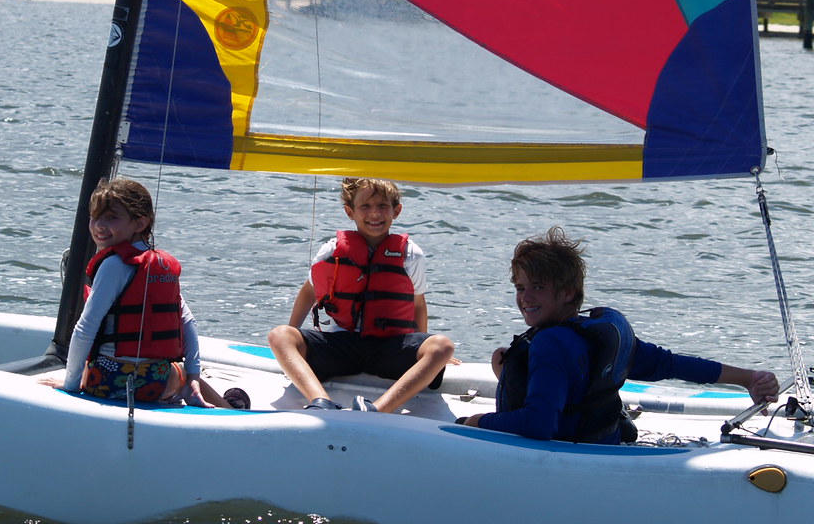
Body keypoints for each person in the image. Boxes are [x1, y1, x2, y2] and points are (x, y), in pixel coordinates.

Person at [457, 226, 779, 443]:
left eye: (538, 288)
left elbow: (540, 426)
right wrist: (748, 378)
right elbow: (672, 364)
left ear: (568, 292)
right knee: (504, 358)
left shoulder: (549, 344)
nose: (525, 298)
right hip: (605, 440)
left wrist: (477, 421)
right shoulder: (600, 333)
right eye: (521, 288)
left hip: (564, 459)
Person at [40, 178, 247, 410]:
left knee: (126, 366)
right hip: (154, 382)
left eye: (112, 217)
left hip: (106, 380)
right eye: (95, 216)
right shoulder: (163, 265)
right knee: (179, 373)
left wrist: (70, 384)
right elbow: (187, 321)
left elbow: (85, 328)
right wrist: (193, 375)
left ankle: (205, 398)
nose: (99, 225)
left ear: (140, 224)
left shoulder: (113, 265)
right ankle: (223, 406)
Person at [268, 177, 455, 412]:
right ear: (350, 212)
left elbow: (418, 304)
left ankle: (377, 409)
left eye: (382, 206)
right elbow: (309, 291)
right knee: (280, 335)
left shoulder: (411, 254)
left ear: (396, 211)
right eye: (365, 206)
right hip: (343, 343)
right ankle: (320, 400)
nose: (374, 213)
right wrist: (294, 340)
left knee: (442, 346)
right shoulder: (331, 250)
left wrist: (422, 347)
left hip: (390, 347)